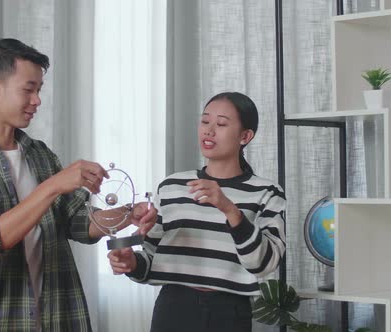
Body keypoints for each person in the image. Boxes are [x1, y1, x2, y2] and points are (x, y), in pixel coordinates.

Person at [0, 38, 156, 331]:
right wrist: (53, 185)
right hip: (1, 322)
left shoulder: (40, 154)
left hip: (63, 316)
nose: (37, 100)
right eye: (28, 89)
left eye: (39, 90)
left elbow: (79, 223)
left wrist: (128, 215)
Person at [108, 92, 286, 332]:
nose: (209, 131)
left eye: (221, 124)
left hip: (230, 311)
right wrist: (131, 263)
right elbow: (151, 259)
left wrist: (229, 209)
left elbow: (264, 264)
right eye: (205, 121)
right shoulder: (172, 186)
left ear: (245, 136)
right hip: (173, 307)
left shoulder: (267, 192)